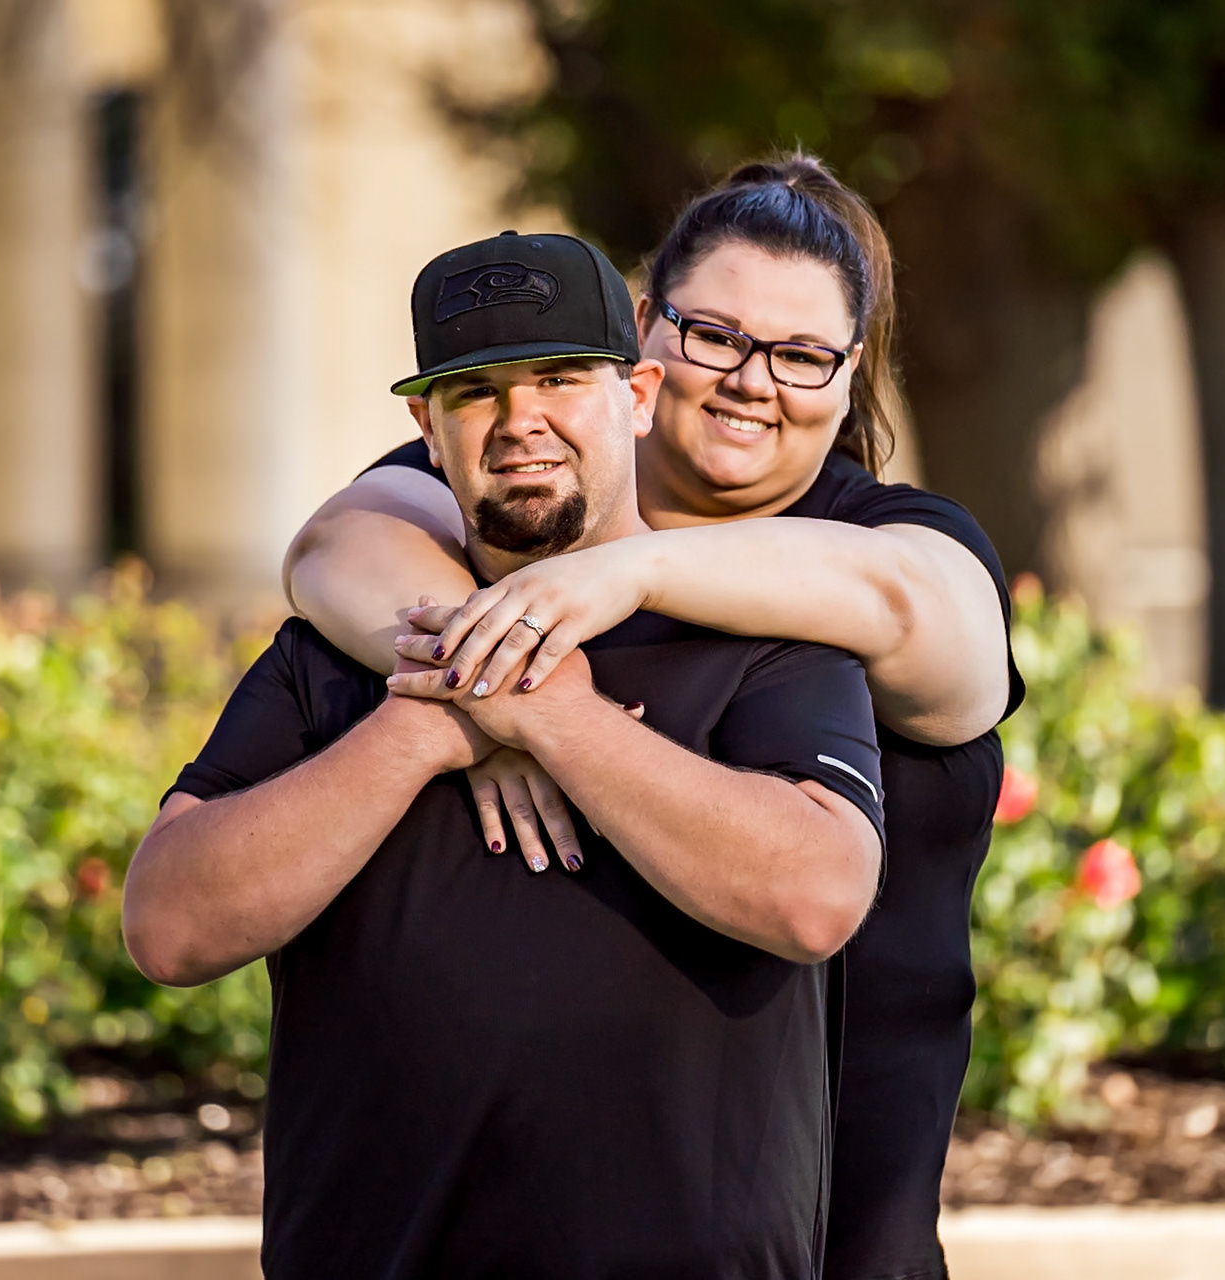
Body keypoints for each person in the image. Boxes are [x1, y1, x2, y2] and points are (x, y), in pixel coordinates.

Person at [285, 156, 1024, 1280]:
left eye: (801, 355)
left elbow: (932, 631)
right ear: (644, 335)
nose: (749, 381)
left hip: (843, 1231)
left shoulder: (892, 540)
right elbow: (332, 547)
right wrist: (494, 691)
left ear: (849, 370)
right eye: (713, 335)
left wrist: (628, 579)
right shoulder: (513, 498)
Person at [123, 228, 886, 1279]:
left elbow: (817, 896)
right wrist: (426, 725)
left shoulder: (765, 643)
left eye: (562, 377)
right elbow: (168, 926)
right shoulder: (337, 657)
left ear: (638, 395)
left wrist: (560, 720)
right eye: (475, 390)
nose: (520, 420)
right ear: (424, 428)